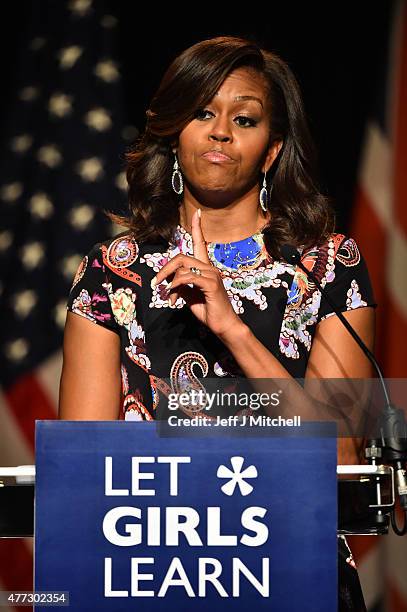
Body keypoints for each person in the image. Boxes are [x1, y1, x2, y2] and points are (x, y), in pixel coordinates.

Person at [59, 36, 376, 610]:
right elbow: (84, 477)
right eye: (203, 112)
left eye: (244, 118)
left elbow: (341, 457)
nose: (221, 131)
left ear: (272, 150)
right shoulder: (111, 276)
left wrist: (232, 328)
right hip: (153, 576)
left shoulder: (328, 265)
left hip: (291, 570)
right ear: (174, 133)